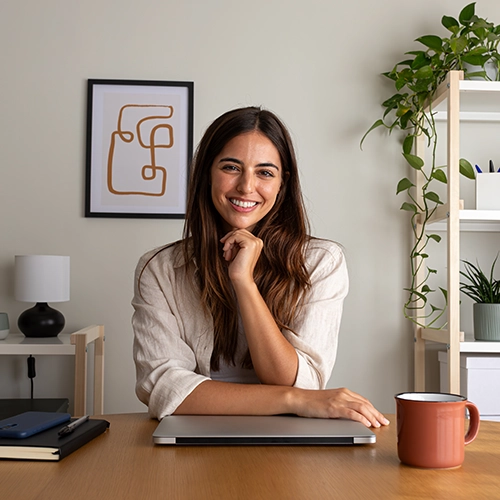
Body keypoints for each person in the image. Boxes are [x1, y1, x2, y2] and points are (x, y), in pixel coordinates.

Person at [132, 106, 389, 428]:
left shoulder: (321, 261)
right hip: (197, 432)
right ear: (206, 173)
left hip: (291, 432)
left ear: (282, 183)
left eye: (265, 172)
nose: (246, 187)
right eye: (231, 167)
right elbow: (163, 388)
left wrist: (244, 283)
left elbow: (298, 380)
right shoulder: (160, 269)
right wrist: (293, 400)